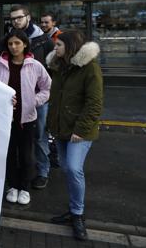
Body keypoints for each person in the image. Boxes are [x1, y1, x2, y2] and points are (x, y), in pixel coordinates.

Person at [47, 31, 102, 241]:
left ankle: (78, 215)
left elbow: (94, 103)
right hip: (61, 128)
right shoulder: (60, 66)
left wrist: (80, 129)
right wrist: (51, 124)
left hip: (79, 131)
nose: (55, 49)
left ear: (69, 46)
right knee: (67, 169)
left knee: (73, 168)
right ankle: (72, 210)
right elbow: (56, 97)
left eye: (58, 45)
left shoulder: (90, 67)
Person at [0, 30, 51, 206]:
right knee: (8, 154)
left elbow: (47, 88)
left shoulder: (35, 65)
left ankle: (24, 187)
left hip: (27, 119)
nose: (14, 47)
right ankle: (13, 186)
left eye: (17, 43)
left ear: (24, 44)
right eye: (10, 44)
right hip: (5, 119)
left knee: (26, 155)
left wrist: (34, 101)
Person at [3, 5, 55, 190]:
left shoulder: (44, 40)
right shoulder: (8, 39)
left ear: (28, 17)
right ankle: (18, 176)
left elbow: (51, 71)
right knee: (15, 142)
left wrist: (37, 99)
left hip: (36, 100)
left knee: (39, 137)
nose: (15, 21)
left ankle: (42, 172)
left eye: (19, 17)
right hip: (12, 104)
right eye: (12, 18)